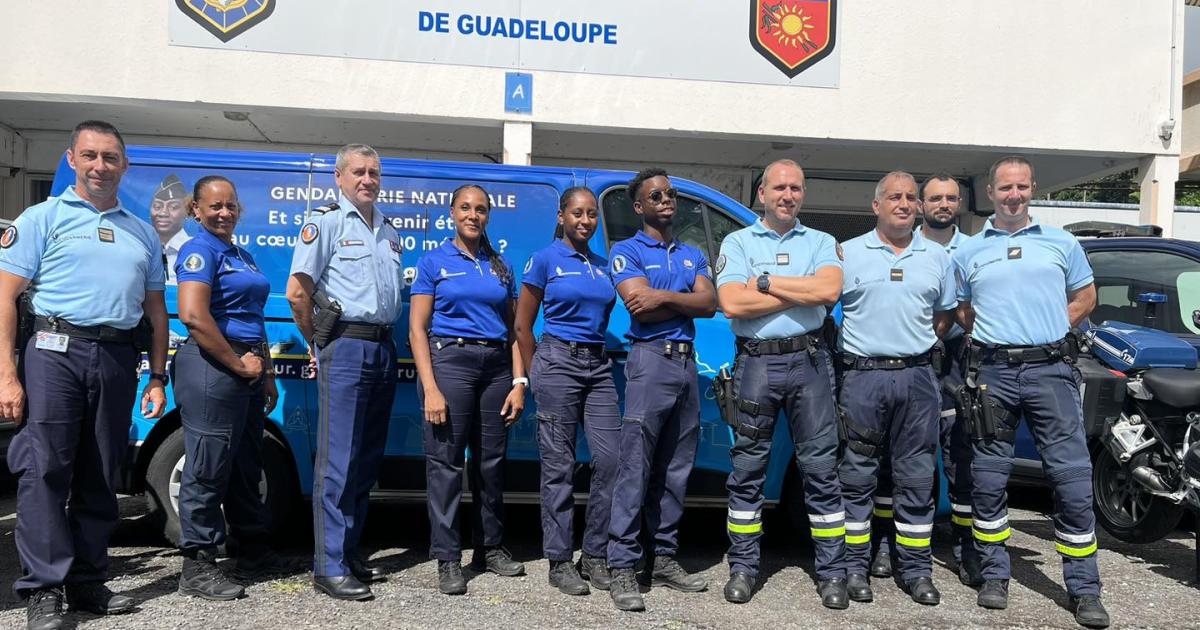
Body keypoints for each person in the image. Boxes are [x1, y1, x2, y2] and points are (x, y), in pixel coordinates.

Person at [0, 120, 169, 630]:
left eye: (110, 157)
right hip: (54, 351)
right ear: (72, 159)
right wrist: (7, 373)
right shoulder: (41, 218)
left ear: (125, 165)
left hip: (117, 357)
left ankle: (88, 579)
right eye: (90, 156)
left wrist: (157, 376)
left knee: (101, 471)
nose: (100, 166)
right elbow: (6, 296)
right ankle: (44, 588)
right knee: (46, 469)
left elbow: (157, 313)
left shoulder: (141, 231)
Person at [952, 156, 1109, 628]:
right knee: (988, 477)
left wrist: (1049, 330)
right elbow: (963, 310)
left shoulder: (1062, 243)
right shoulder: (970, 251)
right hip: (993, 374)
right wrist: (998, 336)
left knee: (1073, 480)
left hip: (1050, 371)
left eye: (1021, 187)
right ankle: (994, 575)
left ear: (1032, 189)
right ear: (992, 194)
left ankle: (1084, 589)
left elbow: (1086, 297)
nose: (1014, 195)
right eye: (1005, 188)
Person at [715, 159, 848, 609]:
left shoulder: (822, 241)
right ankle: (743, 567)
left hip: (809, 362)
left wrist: (767, 283)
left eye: (795, 188)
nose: (787, 195)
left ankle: (832, 573)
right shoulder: (737, 241)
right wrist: (800, 288)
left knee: (821, 471)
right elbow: (732, 301)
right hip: (757, 365)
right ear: (762, 195)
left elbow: (828, 292)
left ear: (802, 194)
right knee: (747, 470)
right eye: (779, 188)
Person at [286, 144, 402, 601]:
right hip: (346, 345)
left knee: (365, 460)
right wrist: (319, 342)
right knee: (336, 461)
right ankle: (327, 564)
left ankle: (349, 551)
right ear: (339, 177)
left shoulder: (387, 229)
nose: (367, 179)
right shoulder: (327, 222)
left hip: (383, 348)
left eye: (374, 172)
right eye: (358, 172)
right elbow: (299, 292)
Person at [836, 172, 955, 606]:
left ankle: (916, 570)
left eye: (910, 198)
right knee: (857, 475)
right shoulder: (846, 254)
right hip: (862, 378)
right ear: (876, 206)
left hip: (918, 378)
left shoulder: (938, 257)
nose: (903, 204)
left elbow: (943, 317)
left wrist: (912, 348)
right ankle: (854, 567)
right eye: (893, 197)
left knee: (917, 476)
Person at [172, 175, 288, 601]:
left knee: (245, 462)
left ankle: (252, 551)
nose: (224, 213)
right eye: (215, 206)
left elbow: (253, 319)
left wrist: (267, 373)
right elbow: (193, 316)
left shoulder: (240, 254)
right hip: (212, 366)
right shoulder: (198, 249)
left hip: (247, 368)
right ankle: (198, 567)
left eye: (231, 206)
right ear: (197, 210)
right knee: (207, 468)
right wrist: (238, 364)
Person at [606, 168, 716, 612]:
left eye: (670, 194)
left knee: (676, 467)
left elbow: (710, 304)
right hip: (649, 361)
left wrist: (662, 297)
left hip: (686, 364)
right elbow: (639, 309)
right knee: (635, 466)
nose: (667, 200)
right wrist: (679, 299)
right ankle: (622, 565)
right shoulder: (626, 250)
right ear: (640, 207)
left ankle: (664, 557)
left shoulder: (693, 253)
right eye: (656, 195)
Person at [409, 184, 527, 596]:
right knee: (446, 464)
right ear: (452, 213)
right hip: (451, 364)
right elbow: (417, 329)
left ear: (488, 216)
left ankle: (489, 547)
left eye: (480, 209)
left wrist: (518, 382)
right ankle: (446, 557)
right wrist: (431, 388)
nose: (473, 215)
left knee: (491, 464)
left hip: (496, 368)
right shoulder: (433, 261)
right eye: (465, 208)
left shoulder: (500, 266)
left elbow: (514, 331)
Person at [869, 173, 977, 584]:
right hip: (912, 360)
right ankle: (885, 544)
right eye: (934, 198)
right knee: (895, 459)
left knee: (959, 455)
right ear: (921, 206)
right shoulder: (901, 246)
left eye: (951, 198)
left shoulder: (973, 250)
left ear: (960, 204)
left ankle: (967, 550)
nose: (942, 204)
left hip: (955, 360)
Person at [514, 187, 619, 596]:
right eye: (577, 213)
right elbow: (523, 325)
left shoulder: (602, 264)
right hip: (557, 362)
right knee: (558, 466)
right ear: (561, 216)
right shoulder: (544, 260)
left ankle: (593, 555)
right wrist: (536, 367)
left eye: (592, 214)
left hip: (598, 366)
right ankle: (559, 560)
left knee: (610, 460)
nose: (585, 220)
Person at [150, 174, 191, 284]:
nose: (163, 213)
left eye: (173, 207)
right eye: (157, 206)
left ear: (187, 212)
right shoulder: (142, 247)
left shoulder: (194, 249)